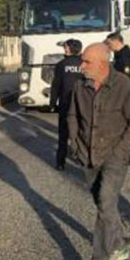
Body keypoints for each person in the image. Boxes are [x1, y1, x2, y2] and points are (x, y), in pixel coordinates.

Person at [66, 43, 130, 260]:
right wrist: (75, 145)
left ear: (103, 63)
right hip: (88, 156)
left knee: (105, 202)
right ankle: (119, 246)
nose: (82, 66)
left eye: (87, 61)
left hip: (114, 157)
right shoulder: (81, 86)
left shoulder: (125, 86)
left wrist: (121, 151)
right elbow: (71, 116)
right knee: (104, 204)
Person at [50, 39, 84, 170]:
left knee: (63, 135)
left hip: (65, 103)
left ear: (69, 49)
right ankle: (81, 158)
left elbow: (56, 86)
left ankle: (60, 163)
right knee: (82, 132)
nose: (64, 49)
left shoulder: (61, 65)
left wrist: (53, 103)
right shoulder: (85, 64)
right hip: (82, 104)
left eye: (65, 47)